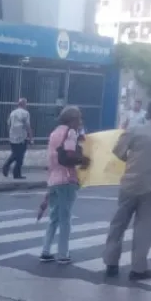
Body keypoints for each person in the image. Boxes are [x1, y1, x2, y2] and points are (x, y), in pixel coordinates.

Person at [103, 99, 151, 280]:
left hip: (129, 183)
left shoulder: (134, 130)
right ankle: (138, 269)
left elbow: (118, 151)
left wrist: (131, 161)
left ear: (148, 112)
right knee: (145, 228)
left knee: (118, 224)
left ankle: (111, 264)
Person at [38, 105, 89, 263]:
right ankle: (63, 254)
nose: (80, 122)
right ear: (72, 119)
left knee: (54, 217)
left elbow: (53, 157)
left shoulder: (54, 133)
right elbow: (69, 155)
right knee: (65, 218)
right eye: (79, 118)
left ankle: (46, 250)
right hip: (67, 179)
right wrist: (83, 160)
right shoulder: (71, 132)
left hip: (53, 179)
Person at [3, 98, 32, 179]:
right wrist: (31, 137)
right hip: (22, 137)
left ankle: (11, 169)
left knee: (15, 154)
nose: (26, 105)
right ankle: (13, 171)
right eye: (26, 104)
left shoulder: (12, 113)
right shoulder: (25, 113)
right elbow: (27, 126)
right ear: (24, 104)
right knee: (20, 156)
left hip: (12, 136)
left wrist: (10, 133)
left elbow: (8, 124)